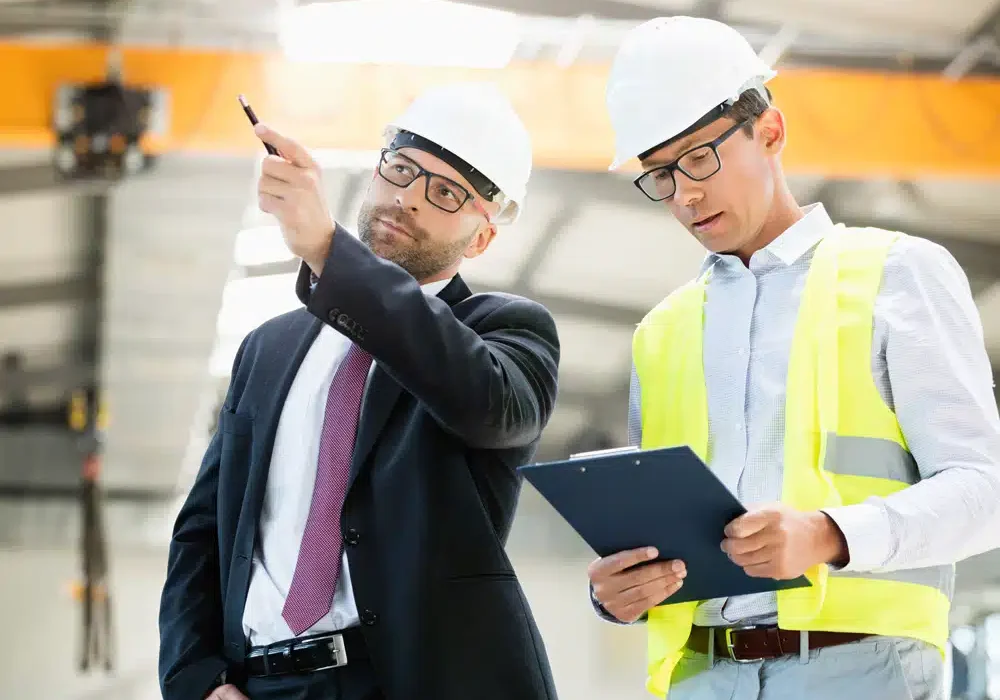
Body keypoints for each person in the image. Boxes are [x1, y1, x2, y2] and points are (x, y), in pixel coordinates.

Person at [586, 16, 1000, 700]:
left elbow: (985, 489)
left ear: (771, 132)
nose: (684, 194)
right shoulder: (660, 333)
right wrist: (618, 589)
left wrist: (830, 534)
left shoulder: (898, 275)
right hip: (699, 675)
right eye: (659, 174)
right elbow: (652, 527)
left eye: (698, 158)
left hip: (862, 668)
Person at [158, 82, 561, 700]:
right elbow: (203, 531)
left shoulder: (502, 333)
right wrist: (197, 681)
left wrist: (328, 251)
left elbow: (484, 404)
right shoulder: (267, 349)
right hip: (263, 684)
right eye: (401, 169)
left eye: (446, 193)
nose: (407, 197)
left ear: (482, 237)